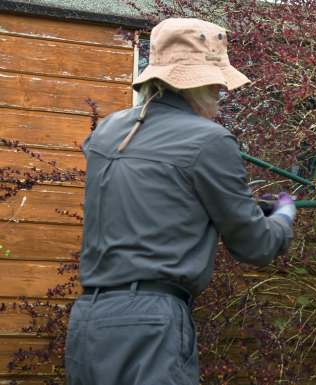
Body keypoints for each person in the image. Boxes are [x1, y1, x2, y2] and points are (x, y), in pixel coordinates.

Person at [64, 18, 295, 385]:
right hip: (151, 323)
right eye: (218, 86)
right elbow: (255, 245)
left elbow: (159, 199)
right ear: (200, 83)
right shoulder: (208, 140)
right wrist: (282, 216)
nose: (221, 95)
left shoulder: (106, 132)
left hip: (89, 320)